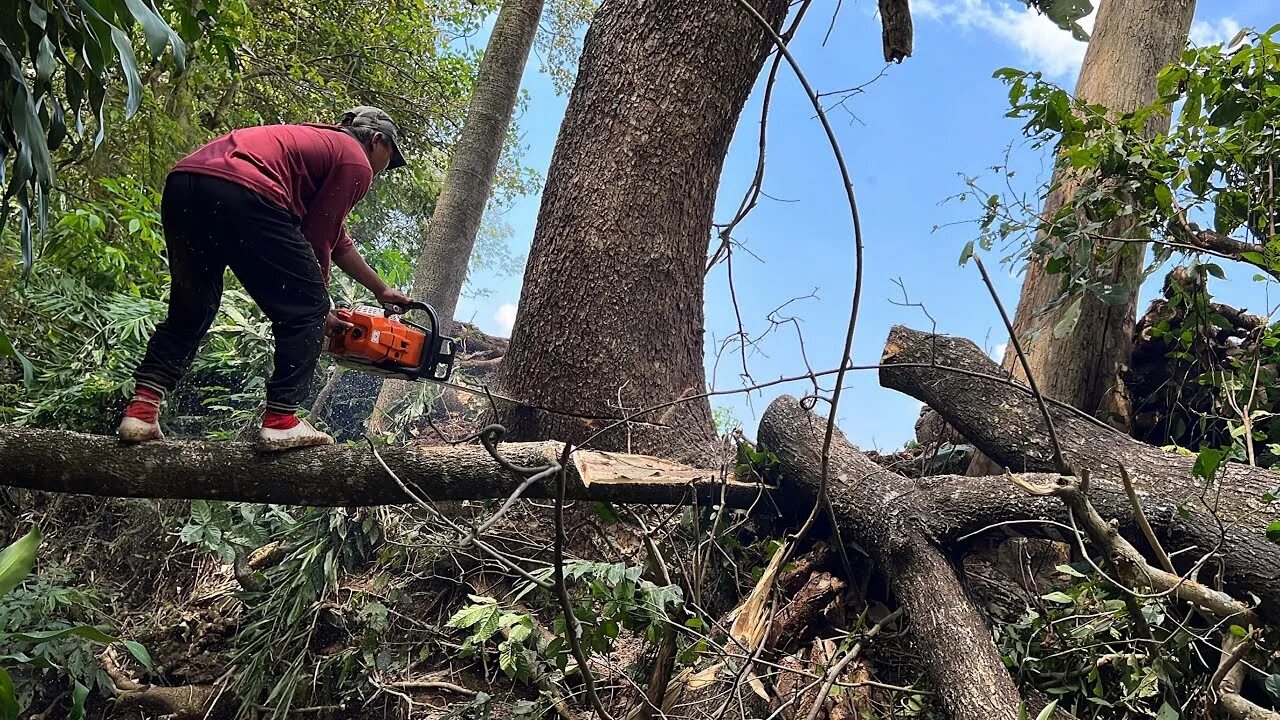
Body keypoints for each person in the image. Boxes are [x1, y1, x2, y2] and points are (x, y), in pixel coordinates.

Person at [117, 106, 412, 451]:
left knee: (194, 305)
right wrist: (319, 305)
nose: (383, 169)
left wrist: (380, 289)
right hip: (248, 191)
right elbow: (319, 236)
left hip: (187, 182)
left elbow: (337, 238)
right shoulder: (355, 159)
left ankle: (141, 410)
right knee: (307, 309)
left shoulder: (314, 143)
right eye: (388, 158)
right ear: (377, 140)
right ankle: (281, 421)